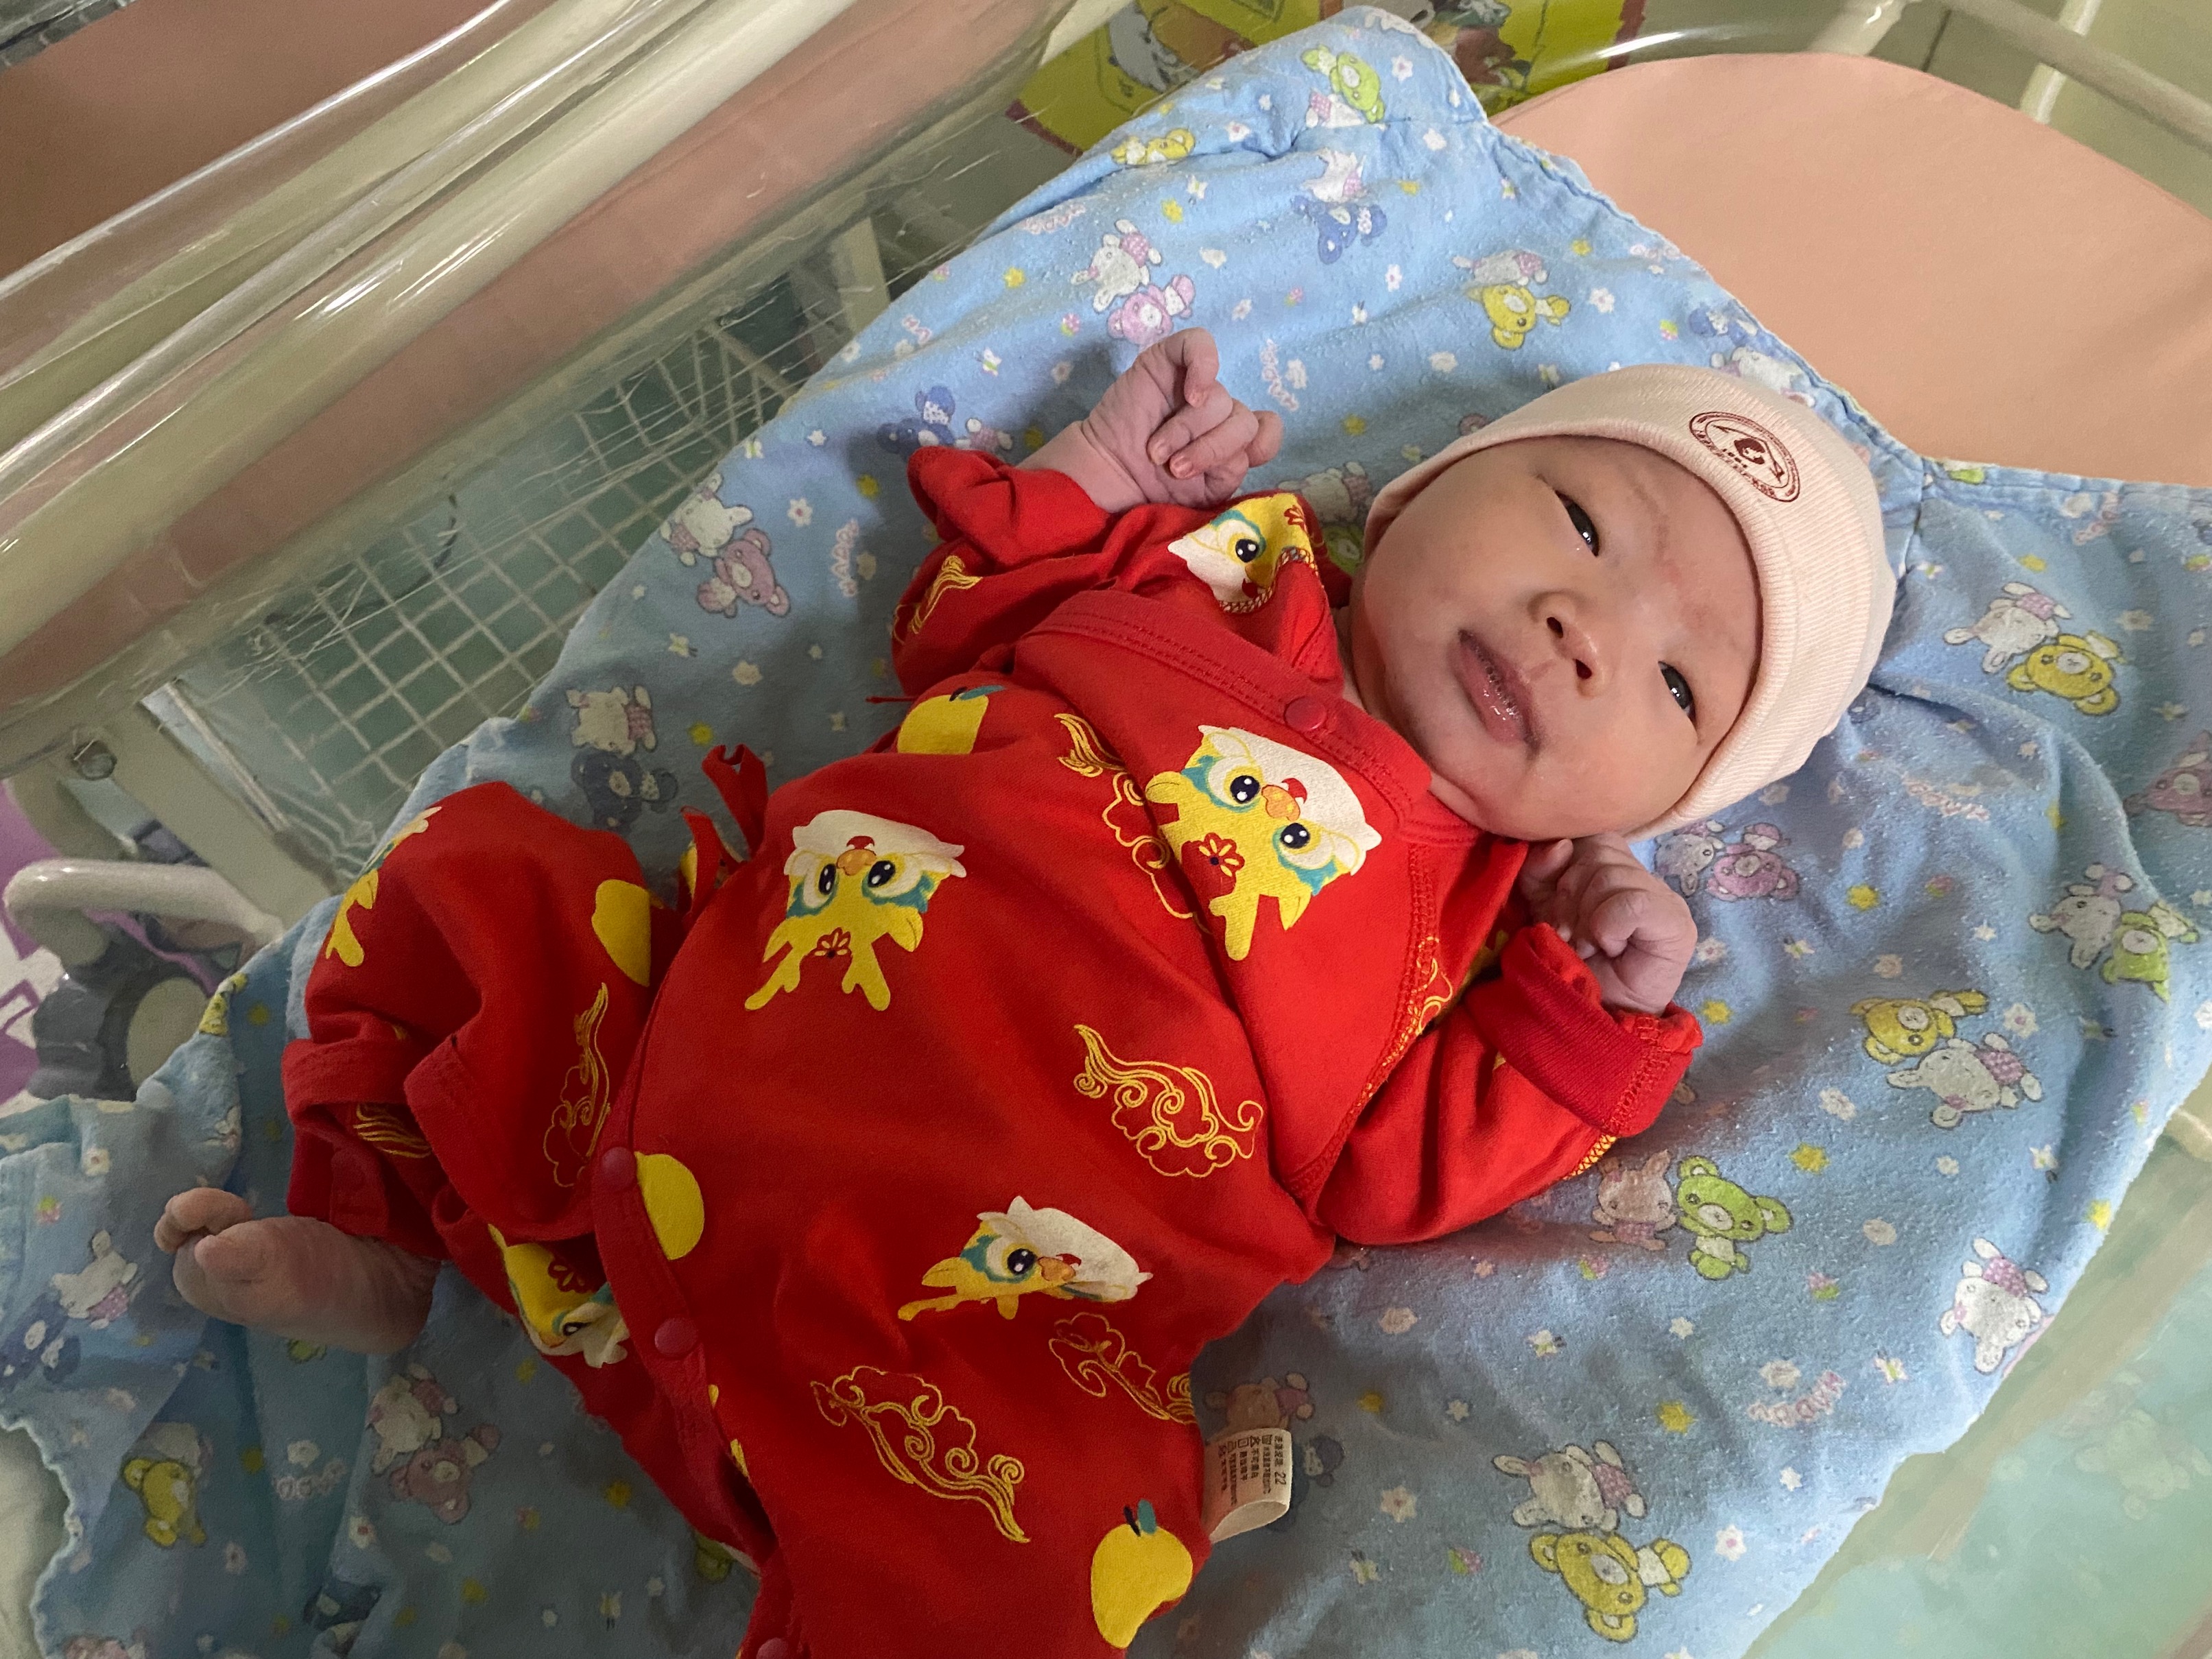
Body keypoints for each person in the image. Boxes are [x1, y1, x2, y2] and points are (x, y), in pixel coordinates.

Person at [156, 327, 1890, 1657]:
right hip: (673, 1044)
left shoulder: (1488, 931)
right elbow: (961, 621)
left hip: (962, 1320)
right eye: (1581, 521)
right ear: (1421, 489)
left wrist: (1586, 1017)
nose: (1587, 626)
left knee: (1052, 1559)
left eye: (1676, 683)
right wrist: (1095, 471)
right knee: (468, 875)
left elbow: (1392, 1176)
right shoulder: (1212, 584)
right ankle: (387, 1240)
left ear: (1658, 808)